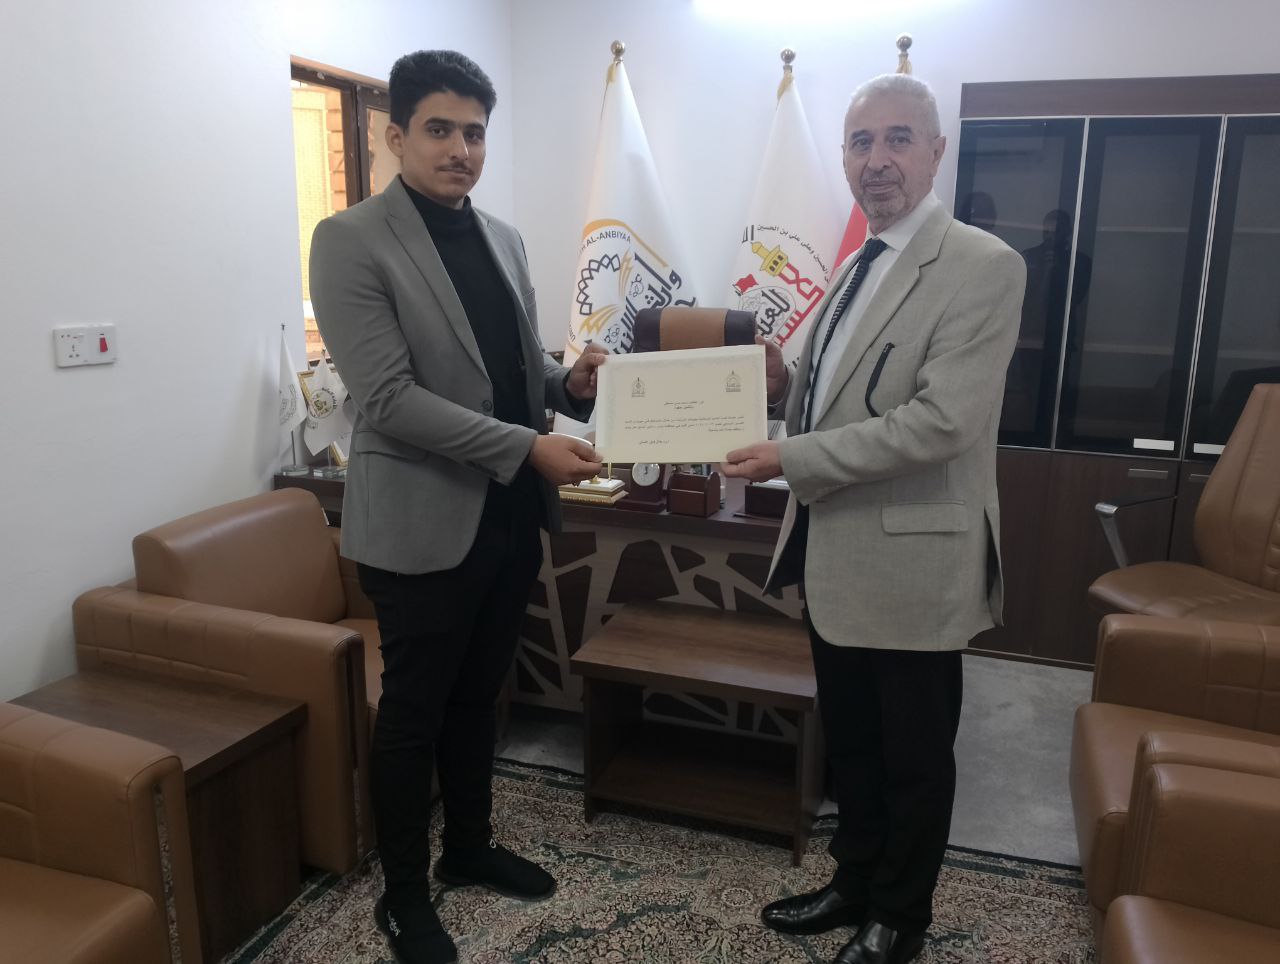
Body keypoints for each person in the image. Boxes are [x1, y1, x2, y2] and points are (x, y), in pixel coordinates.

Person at [309, 49, 606, 964]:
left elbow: (516, 367)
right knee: (416, 712)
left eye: (475, 132)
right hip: (419, 523)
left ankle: (467, 849)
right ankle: (403, 895)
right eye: (439, 129)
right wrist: (527, 447)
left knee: (482, 694)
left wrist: (570, 383)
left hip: (508, 517)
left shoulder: (502, 238)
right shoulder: (351, 240)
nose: (460, 150)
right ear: (395, 135)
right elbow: (389, 399)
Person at [724, 74, 1025, 964]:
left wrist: (792, 459)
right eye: (861, 142)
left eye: (899, 139)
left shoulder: (982, 265)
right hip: (836, 554)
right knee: (852, 744)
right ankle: (853, 881)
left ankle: (901, 916)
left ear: (937, 152)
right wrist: (780, 385)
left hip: (915, 564)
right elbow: (832, 398)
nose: (878, 159)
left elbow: (941, 423)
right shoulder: (857, 261)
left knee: (914, 758)